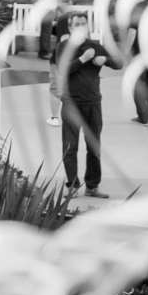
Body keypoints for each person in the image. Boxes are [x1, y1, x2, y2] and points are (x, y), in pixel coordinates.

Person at [52, 13, 112, 199]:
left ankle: (92, 186)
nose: (79, 26)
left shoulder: (95, 45)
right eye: (76, 24)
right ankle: (72, 185)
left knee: (94, 145)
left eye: (82, 23)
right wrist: (83, 59)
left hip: (93, 102)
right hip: (71, 102)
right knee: (70, 146)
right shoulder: (63, 46)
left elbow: (119, 63)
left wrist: (106, 60)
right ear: (70, 28)